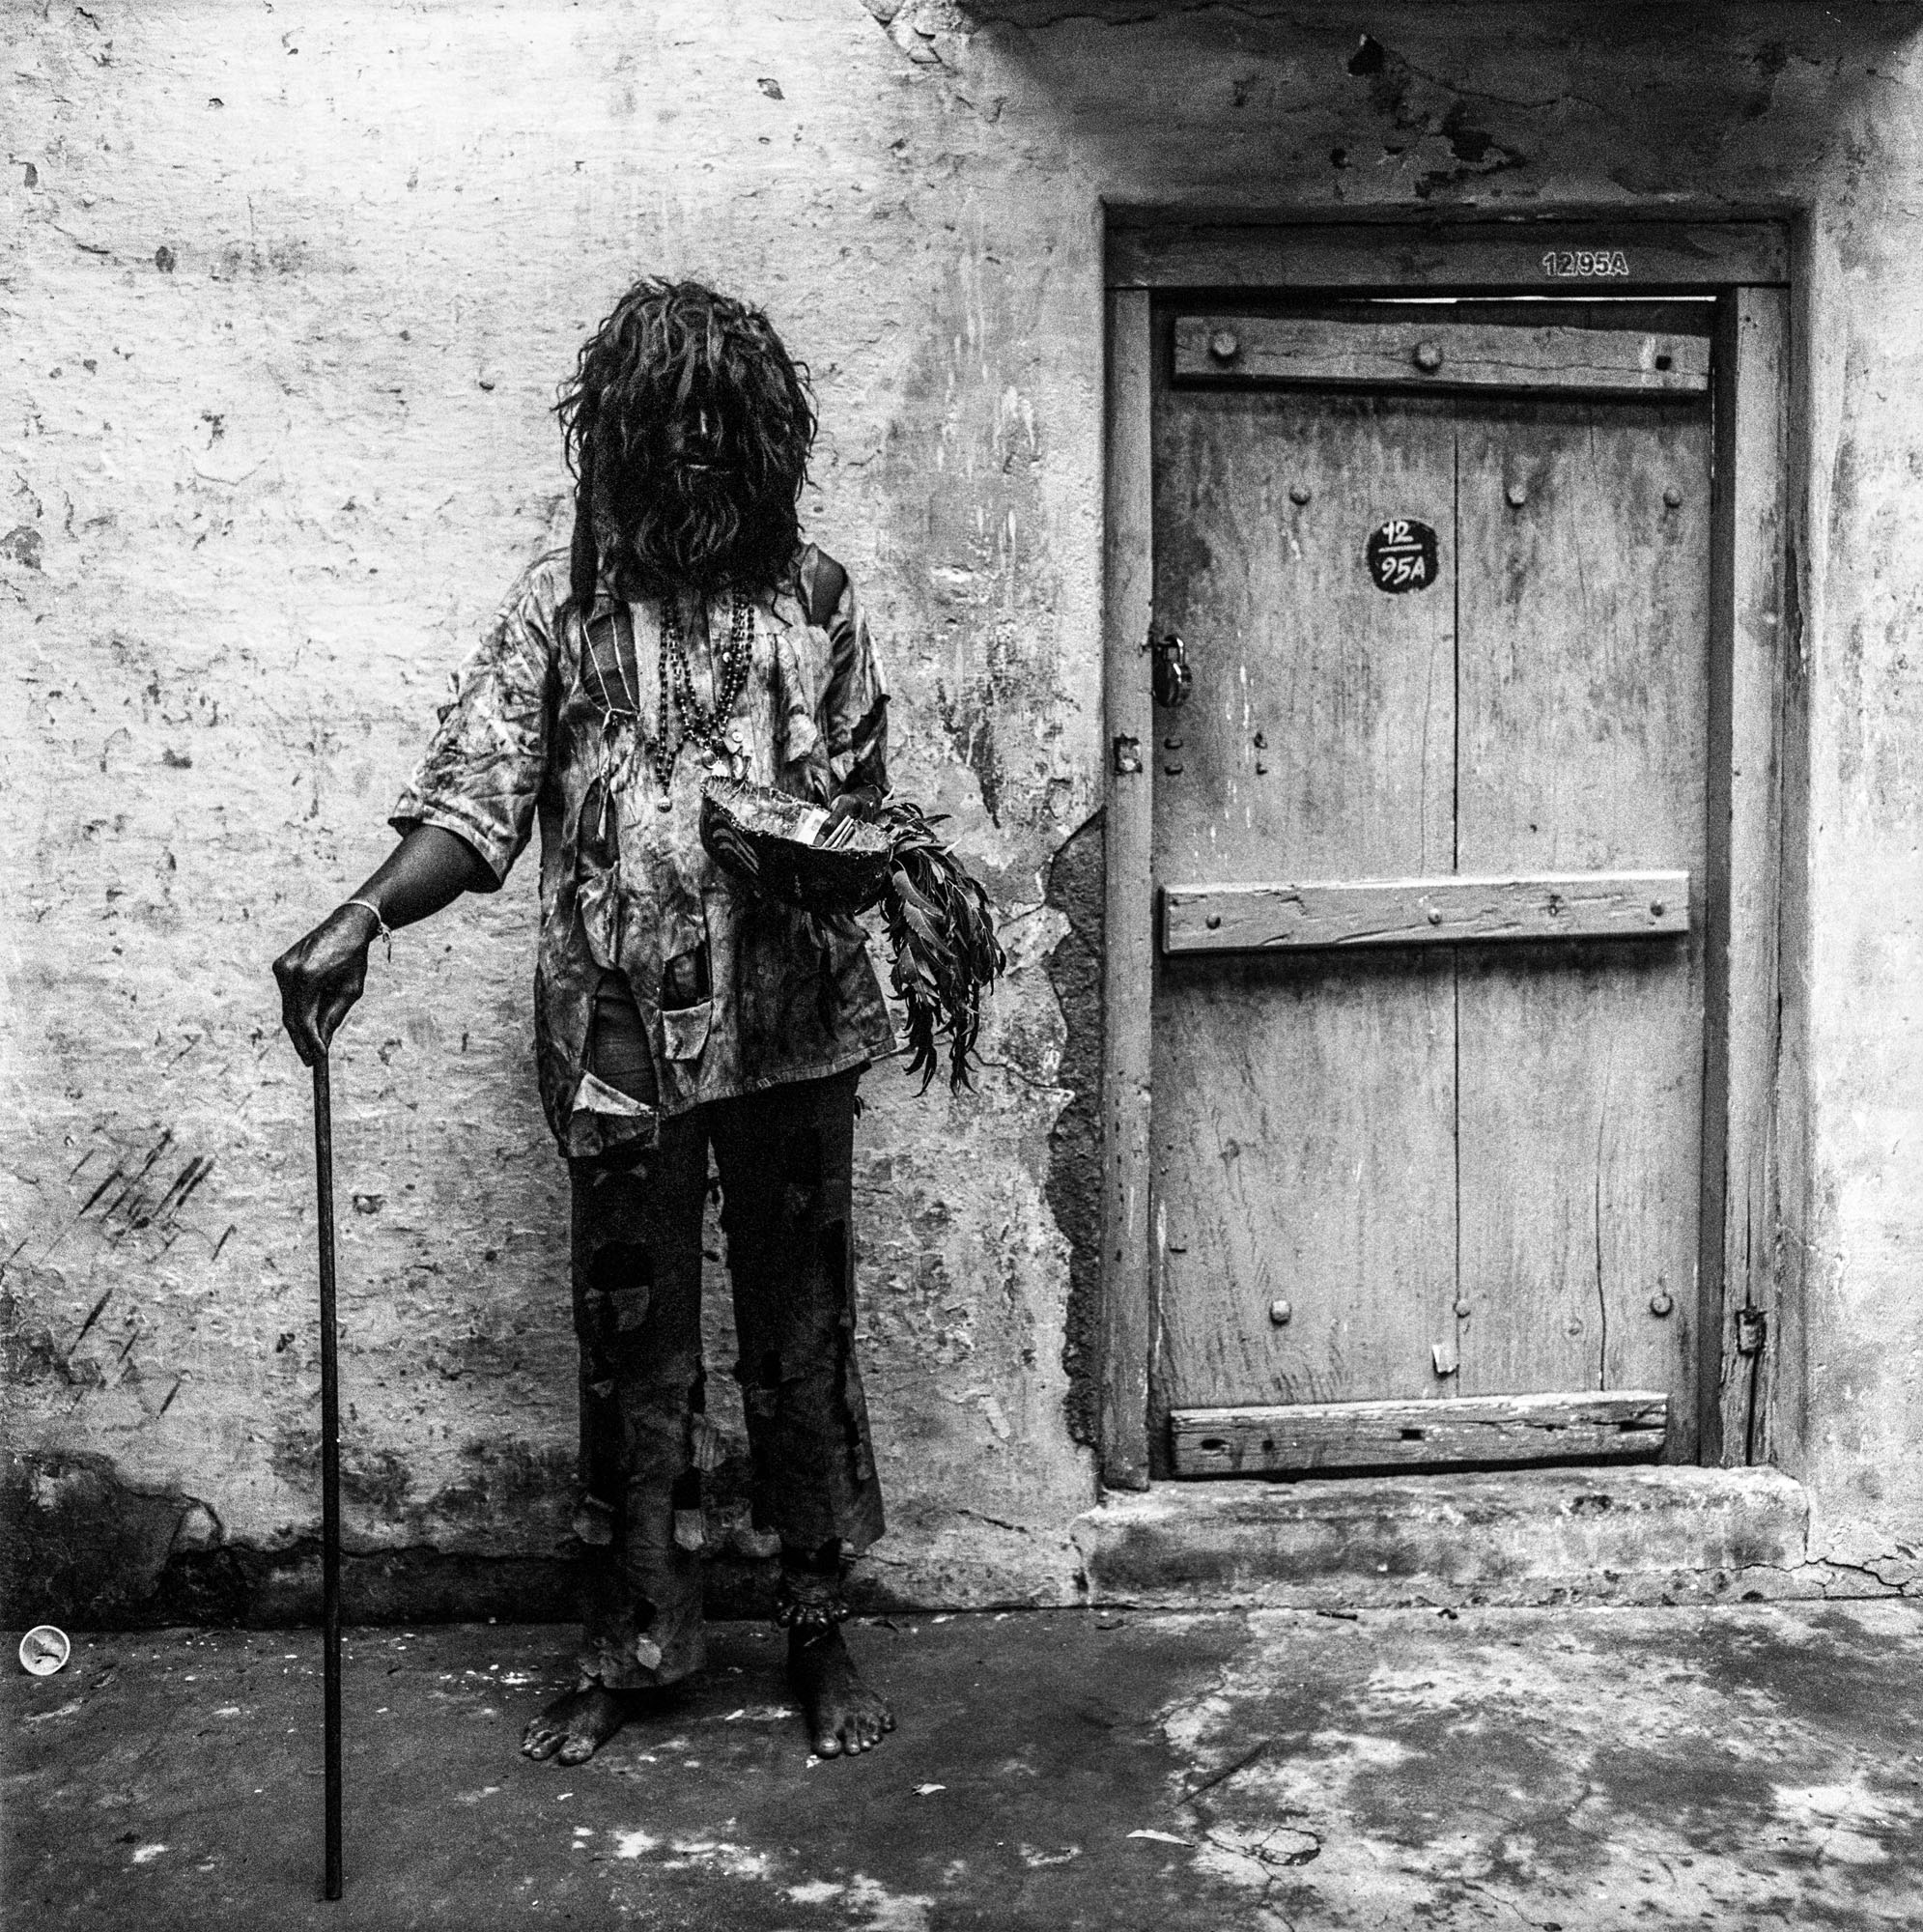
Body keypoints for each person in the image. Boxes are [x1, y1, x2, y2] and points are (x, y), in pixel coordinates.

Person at [272, 278, 898, 1766]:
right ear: (618, 434)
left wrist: (831, 855)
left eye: (722, 419)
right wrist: (362, 914)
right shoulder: (560, 614)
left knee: (803, 1339)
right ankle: (635, 1643)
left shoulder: (817, 603)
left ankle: (817, 1626)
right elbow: (473, 807)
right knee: (633, 1356)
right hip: (620, 1050)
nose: (696, 443)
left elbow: (870, 810)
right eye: (667, 418)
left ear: (764, 438)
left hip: (796, 1037)